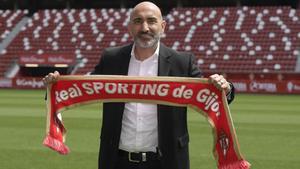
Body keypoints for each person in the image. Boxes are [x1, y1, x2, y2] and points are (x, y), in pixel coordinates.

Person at [43, 1, 234, 169]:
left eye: (151, 21)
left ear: (163, 26)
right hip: (117, 161)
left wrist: (225, 88)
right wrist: (56, 85)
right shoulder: (112, 58)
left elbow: (211, 93)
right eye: (138, 21)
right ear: (130, 27)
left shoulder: (181, 62)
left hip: (167, 161)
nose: (145, 28)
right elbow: (85, 88)